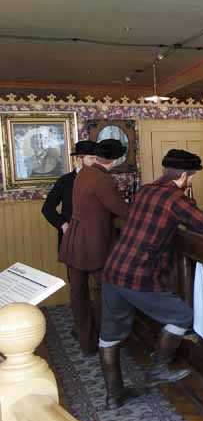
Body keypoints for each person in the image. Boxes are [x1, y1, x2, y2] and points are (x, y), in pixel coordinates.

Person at [98, 149, 203, 409]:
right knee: (182, 316)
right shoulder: (175, 199)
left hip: (113, 269)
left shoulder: (145, 190)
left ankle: (114, 394)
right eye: (192, 176)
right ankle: (157, 369)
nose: (192, 181)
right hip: (138, 274)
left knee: (109, 335)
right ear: (184, 175)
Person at [59, 139, 129, 355]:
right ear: (115, 160)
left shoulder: (84, 173)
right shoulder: (102, 179)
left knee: (78, 294)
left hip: (73, 240)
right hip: (93, 243)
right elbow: (121, 210)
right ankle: (105, 339)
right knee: (104, 291)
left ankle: (86, 343)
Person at [42, 140, 98, 249]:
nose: (95, 162)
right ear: (79, 159)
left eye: (97, 158)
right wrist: (63, 225)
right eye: (91, 158)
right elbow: (47, 208)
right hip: (72, 239)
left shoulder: (100, 180)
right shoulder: (65, 181)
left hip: (96, 239)